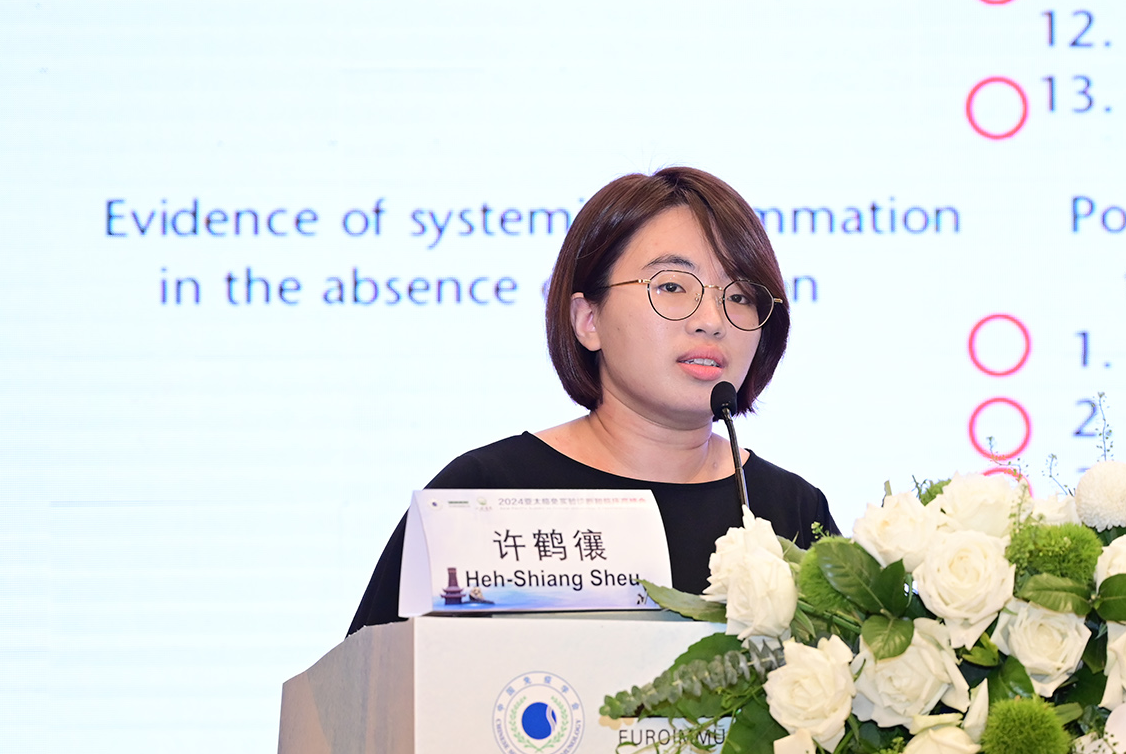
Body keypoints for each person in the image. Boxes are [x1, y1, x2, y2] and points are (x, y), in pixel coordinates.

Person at [347, 167, 837, 635]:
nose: (712, 319)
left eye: (740, 295)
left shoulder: (790, 510)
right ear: (588, 320)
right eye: (671, 286)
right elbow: (368, 684)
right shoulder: (484, 495)